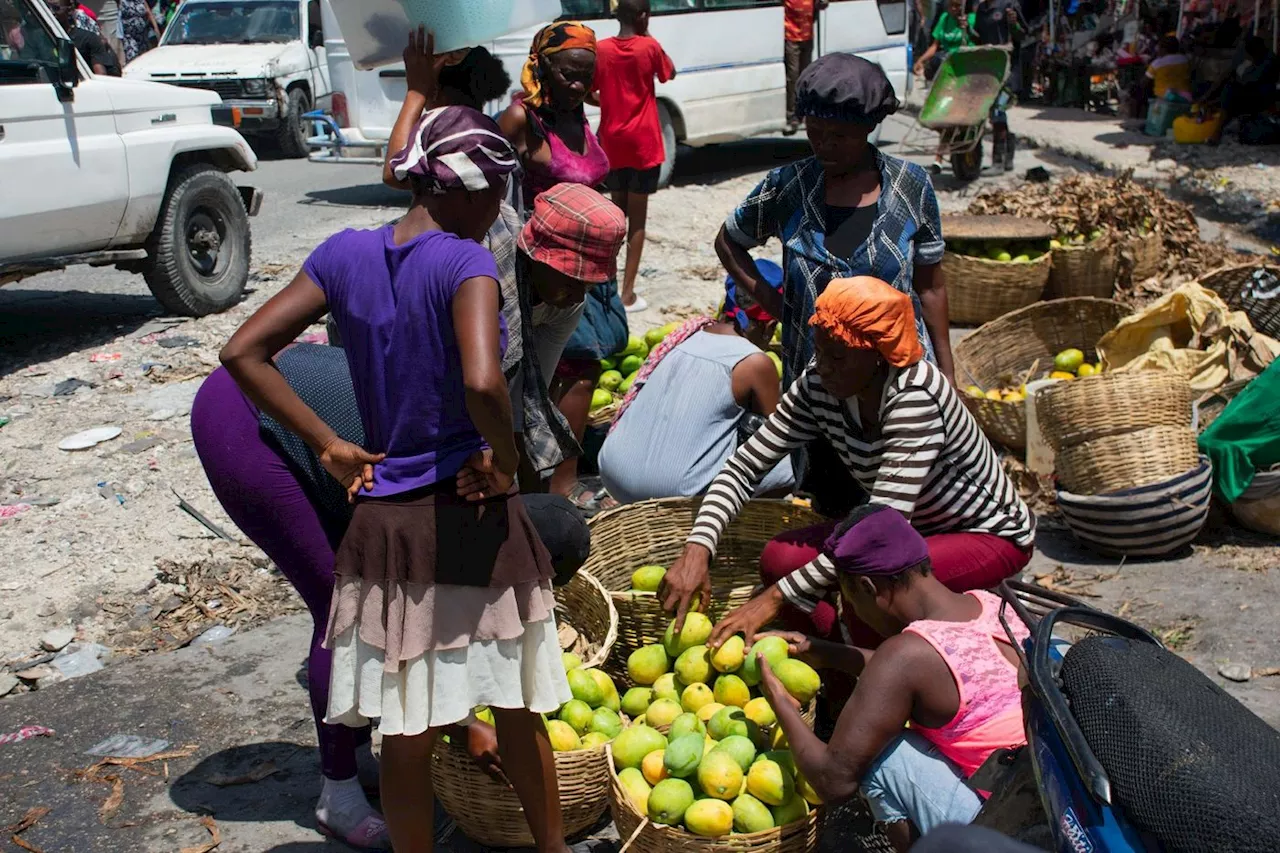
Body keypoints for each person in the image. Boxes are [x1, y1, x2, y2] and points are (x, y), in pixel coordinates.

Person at [218, 105, 571, 853]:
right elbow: (483, 380)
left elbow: (243, 350)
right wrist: (505, 461)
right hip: (467, 512)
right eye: (495, 193)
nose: (497, 211)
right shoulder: (465, 261)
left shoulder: (343, 253)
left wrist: (329, 444)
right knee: (514, 705)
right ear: (465, 191)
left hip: (386, 524)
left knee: (407, 726)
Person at [193, 347, 588, 849]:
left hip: (330, 423)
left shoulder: (477, 483)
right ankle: (337, 796)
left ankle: (354, 754)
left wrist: (463, 723)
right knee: (342, 612)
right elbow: (419, 637)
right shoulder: (457, 499)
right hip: (244, 417)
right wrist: (464, 724)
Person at [658, 277, 1033, 657]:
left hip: (985, 534)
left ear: (878, 354)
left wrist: (771, 599)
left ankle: (871, 690)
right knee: (780, 559)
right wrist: (699, 547)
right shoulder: (819, 384)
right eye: (820, 352)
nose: (825, 368)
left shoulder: (914, 395)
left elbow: (878, 536)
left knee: (869, 583)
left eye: (838, 356)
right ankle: (824, 670)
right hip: (904, 529)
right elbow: (744, 467)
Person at [713, 53, 952, 519]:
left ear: (868, 128)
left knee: (903, 515)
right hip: (821, 384)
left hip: (896, 384)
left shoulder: (911, 186)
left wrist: (948, 374)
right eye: (814, 131)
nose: (823, 144)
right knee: (833, 510)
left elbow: (931, 286)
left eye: (837, 135)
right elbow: (730, 241)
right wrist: (772, 301)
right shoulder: (788, 186)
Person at [754, 504, 1029, 851]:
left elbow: (832, 781)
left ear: (867, 587)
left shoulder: (904, 655)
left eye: (847, 595)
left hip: (1008, 831)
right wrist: (824, 651)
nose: (849, 607)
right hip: (1050, 800)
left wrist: (778, 699)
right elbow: (927, 673)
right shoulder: (991, 604)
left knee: (881, 757)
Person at [597, 305, 795, 505]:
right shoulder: (755, 361)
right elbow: (772, 438)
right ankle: (732, 525)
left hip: (611, 471)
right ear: (769, 326)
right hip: (674, 492)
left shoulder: (684, 336)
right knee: (793, 462)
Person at [594, 0, 676, 313]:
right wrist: (647, 32)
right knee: (637, 221)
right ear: (643, 16)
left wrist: (610, 102)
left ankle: (606, 286)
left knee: (617, 215)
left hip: (612, 143)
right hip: (644, 144)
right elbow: (669, 73)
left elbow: (590, 90)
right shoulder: (649, 47)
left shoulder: (601, 49)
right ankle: (627, 294)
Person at [499, 20, 611, 210]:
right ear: (542, 66)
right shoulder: (521, 118)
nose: (579, 87)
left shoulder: (575, 113)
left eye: (587, 77)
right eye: (568, 74)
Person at [970, 0, 1026, 169]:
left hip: (1008, 72)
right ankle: (1008, 153)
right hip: (989, 72)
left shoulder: (1009, 5)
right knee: (995, 114)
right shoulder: (981, 9)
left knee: (998, 111)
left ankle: (998, 161)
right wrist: (966, 29)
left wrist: (1014, 24)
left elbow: (1022, 35)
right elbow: (978, 38)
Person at [1199, 35, 1278, 143]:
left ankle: (1216, 133)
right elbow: (1227, 74)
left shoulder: (1268, 60)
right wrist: (1207, 96)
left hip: (1259, 95)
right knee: (1209, 86)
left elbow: (1250, 83)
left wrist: (1216, 101)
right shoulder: (1243, 56)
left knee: (1230, 92)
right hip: (1241, 91)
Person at [783, 0, 828, 134]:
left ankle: (804, 115)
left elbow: (822, 5)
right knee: (793, 77)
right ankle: (793, 117)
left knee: (806, 77)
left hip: (807, 36)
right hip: (791, 37)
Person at [49, 0, 119, 75]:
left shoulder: (88, 39)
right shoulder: (41, 38)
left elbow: (100, 74)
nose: (51, 12)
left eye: (56, 8)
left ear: (69, 10)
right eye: (47, 8)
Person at [912, 0, 975, 82]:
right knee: (933, 63)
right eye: (951, 5)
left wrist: (967, 27)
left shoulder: (971, 19)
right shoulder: (944, 18)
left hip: (964, 60)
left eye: (957, 6)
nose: (953, 8)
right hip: (947, 60)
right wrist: (920, 60)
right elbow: (934, 46)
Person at [1145, 34, 1192, 101]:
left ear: (1164, 49)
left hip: (1165, 99)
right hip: (1186, 98)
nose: (1157, 50)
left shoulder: (1157, 63)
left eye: (1159, 47)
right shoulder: (1185, 59)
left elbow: (1145, 82)